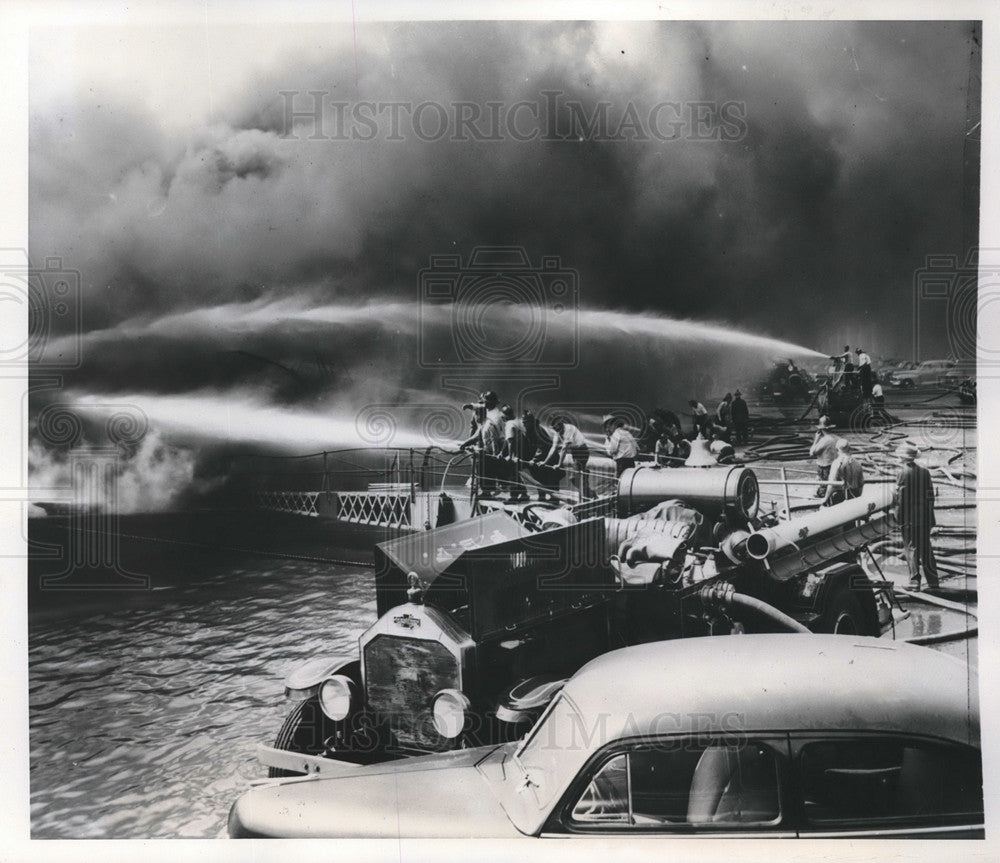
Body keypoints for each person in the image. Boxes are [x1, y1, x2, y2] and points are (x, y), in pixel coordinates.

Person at [893, 443, 939, 591]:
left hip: (909, 519)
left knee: (911, 548)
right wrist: (931, 517)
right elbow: (930, 496)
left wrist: (897, 518)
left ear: (902, 457)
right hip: (924, 516)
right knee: (926, 548)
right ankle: (933, 582)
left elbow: (901, 498)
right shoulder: (925, 472)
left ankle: (914, 582)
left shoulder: (902, 473)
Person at [547, 416, 593, 499]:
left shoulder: (569, 429)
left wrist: (558, 464)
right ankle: (587, 493)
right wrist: (545, 462)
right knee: (578, 478)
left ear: (561, 424)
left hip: (582, 451)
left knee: (574, 478)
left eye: (557, 428)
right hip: (575, 452)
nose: (556, 431)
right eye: (554, 428)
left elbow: (564, 449)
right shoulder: (557, 431)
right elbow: (553, 448)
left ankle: (589, 494)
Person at [522, 412, 562, 500]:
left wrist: (534, 459)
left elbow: (541, 447)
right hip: (541, 459)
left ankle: (554, 499)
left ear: (531, 422)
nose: (524, 424)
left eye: (525, 422)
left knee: (552, 480)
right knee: (539, 479)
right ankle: (542, 496)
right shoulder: (530, 430)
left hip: (550, 458)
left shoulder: (538, 430)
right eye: (523, 422)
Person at [822, 439, 864, 506]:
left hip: (841, 497)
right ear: (849, 448)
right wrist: (858, 498)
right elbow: (861, 484)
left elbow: (832, 484)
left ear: (837, 449)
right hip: (854, 495)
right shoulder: (857, 463)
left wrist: (825, 499)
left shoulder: (836, 463)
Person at [809, 415, 840, 497]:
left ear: (821, 429)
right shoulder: (838, 438)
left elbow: (812, 453)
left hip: (825, 468)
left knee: (824, 489)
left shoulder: (824, 440)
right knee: (834, 485)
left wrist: (816, 440)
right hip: (836, 466)